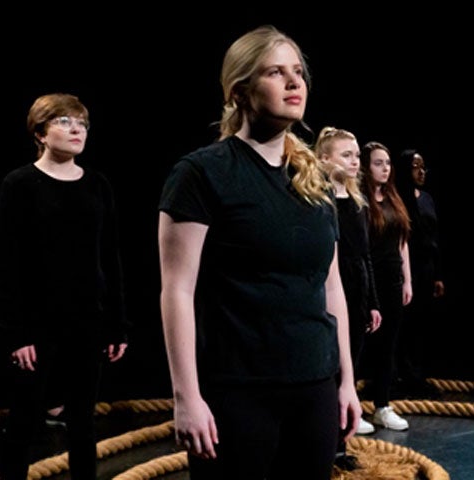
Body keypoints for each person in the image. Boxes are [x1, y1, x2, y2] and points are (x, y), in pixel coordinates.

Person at [157, 26, 362, 479]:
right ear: (240, 91)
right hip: (237, 391)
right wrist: (186, 396)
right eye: (275, 72)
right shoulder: (201, 174)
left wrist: (345, 382)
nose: (294, 83)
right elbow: (177, 290)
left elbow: (332, 288)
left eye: (298, 72)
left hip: (314, 388)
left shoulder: (314, 179)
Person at [0, 93, 130, 480]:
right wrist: (16, 333)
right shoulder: (19, 184)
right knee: (23, 419)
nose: (76, 130)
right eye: (65, 121)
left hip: (88, 321)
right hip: (37, 325)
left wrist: (117, 325)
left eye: (82, 123)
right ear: (40, 131)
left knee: (83, 422)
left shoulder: (98, 185)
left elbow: (110, 258)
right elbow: (8, 262)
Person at [314, 126, 383, 470]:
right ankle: (323, 445)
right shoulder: (319, 200)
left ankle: (340, 444)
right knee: (328, 370)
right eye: (347, 155)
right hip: (326, 293)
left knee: (349, 368)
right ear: (324, 158)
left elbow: (364, 254)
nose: (355, 161)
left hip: (354, 295)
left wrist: (372, 301)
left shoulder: (357, 200)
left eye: (357, 155)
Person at [360, 141, 413, 432]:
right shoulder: (360, 202)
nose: (385, 168)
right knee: (361, 346)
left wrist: (408, 279)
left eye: (388, 163)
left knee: (387, 347)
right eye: (378, 163)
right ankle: (352, 409)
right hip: (369, 282)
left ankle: (382, 405)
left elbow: (402, 242)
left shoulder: (394, 199)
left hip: (393, 281)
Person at [393, 148, 445, 394]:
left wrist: (437, 275)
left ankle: (416, 375)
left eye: (424, 166)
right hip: (405, 269)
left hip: (426, 269)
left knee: (421, 325)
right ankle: (400, 376)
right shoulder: (397, 199)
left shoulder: (426, 198)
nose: (421, 171)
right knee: (404, 323)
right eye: (416, 166)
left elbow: (434, 236)